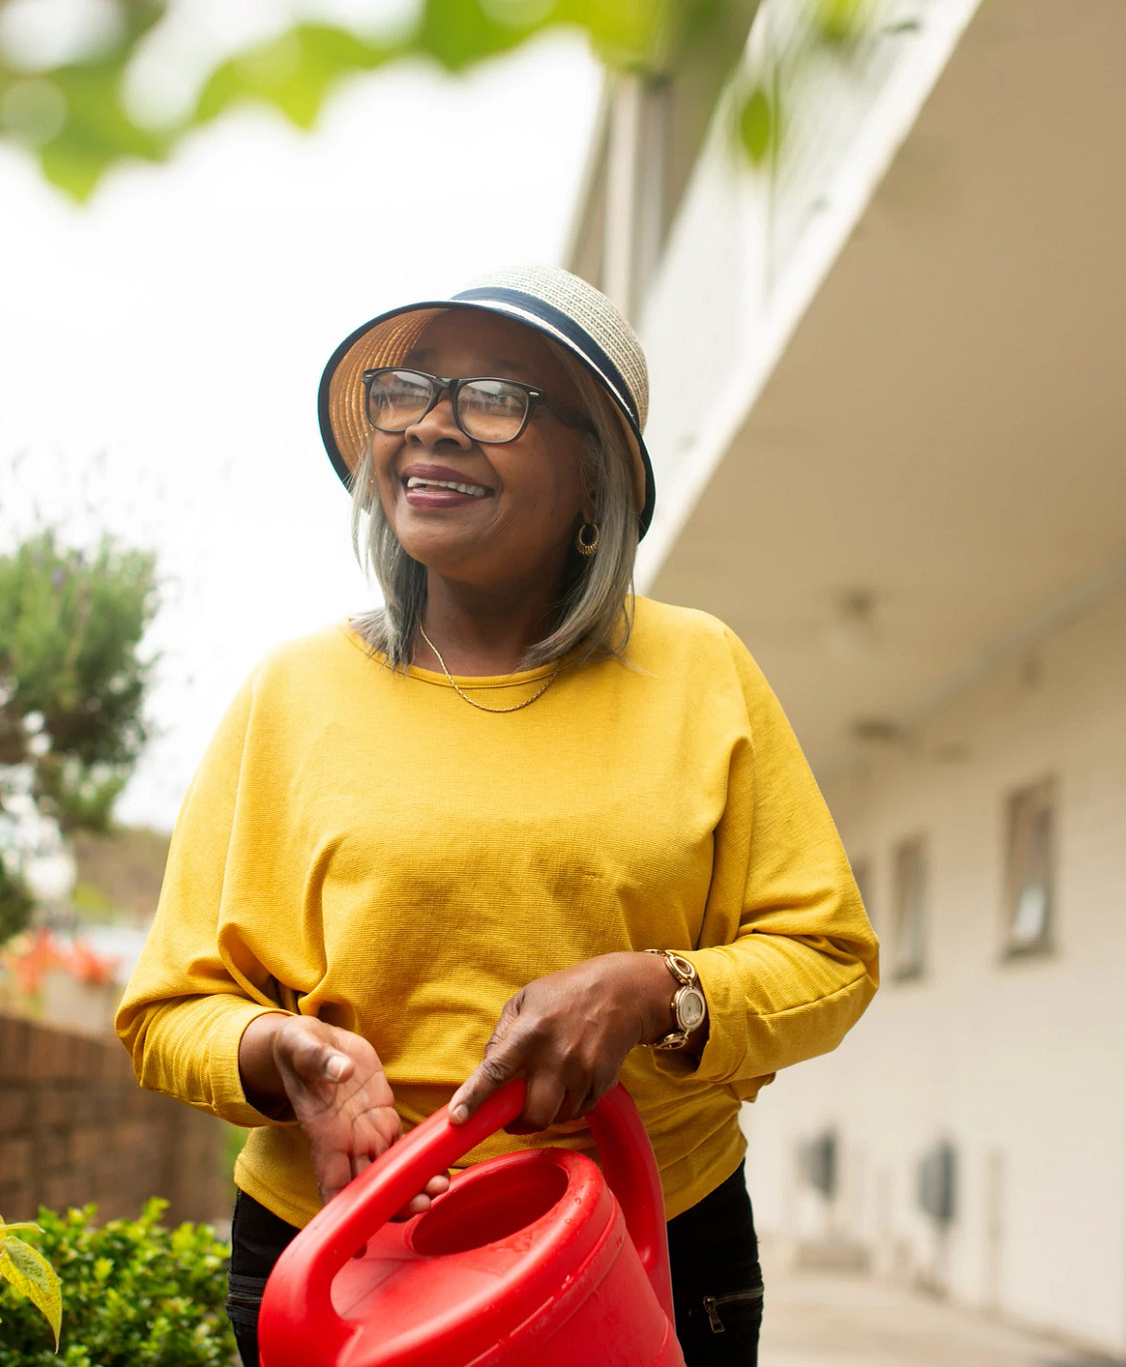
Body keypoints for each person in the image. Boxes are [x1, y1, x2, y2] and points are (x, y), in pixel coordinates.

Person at [116, 266, 878, 1366]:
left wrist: (650, 988)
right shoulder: (294, 693)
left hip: (639, 1242)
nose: (432, 425)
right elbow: (168, 1008)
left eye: (492, 398)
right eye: (409, 392)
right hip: (344, 1262)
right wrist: (286, 1052)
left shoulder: (698, 670)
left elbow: (829, 960)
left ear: (591, 473)